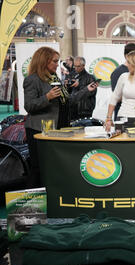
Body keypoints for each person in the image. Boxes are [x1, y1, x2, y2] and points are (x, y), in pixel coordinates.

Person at [24, 47, 98, 187]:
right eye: (55, 61)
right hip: (39, 130)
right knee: (38, 168)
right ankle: (32, 203)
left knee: (53, 167)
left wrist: (86, 90)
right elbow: (29, 106)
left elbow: (68, 100)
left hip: (58, 129)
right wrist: (47, 97)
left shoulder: (54, 78)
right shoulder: (32, 80)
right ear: (44, 61)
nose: (57, 65)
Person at [110, 43, 135, 121]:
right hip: (123, 114)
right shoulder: (118, 73)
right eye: (134, 54)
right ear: (127, 56)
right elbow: (116, 96)